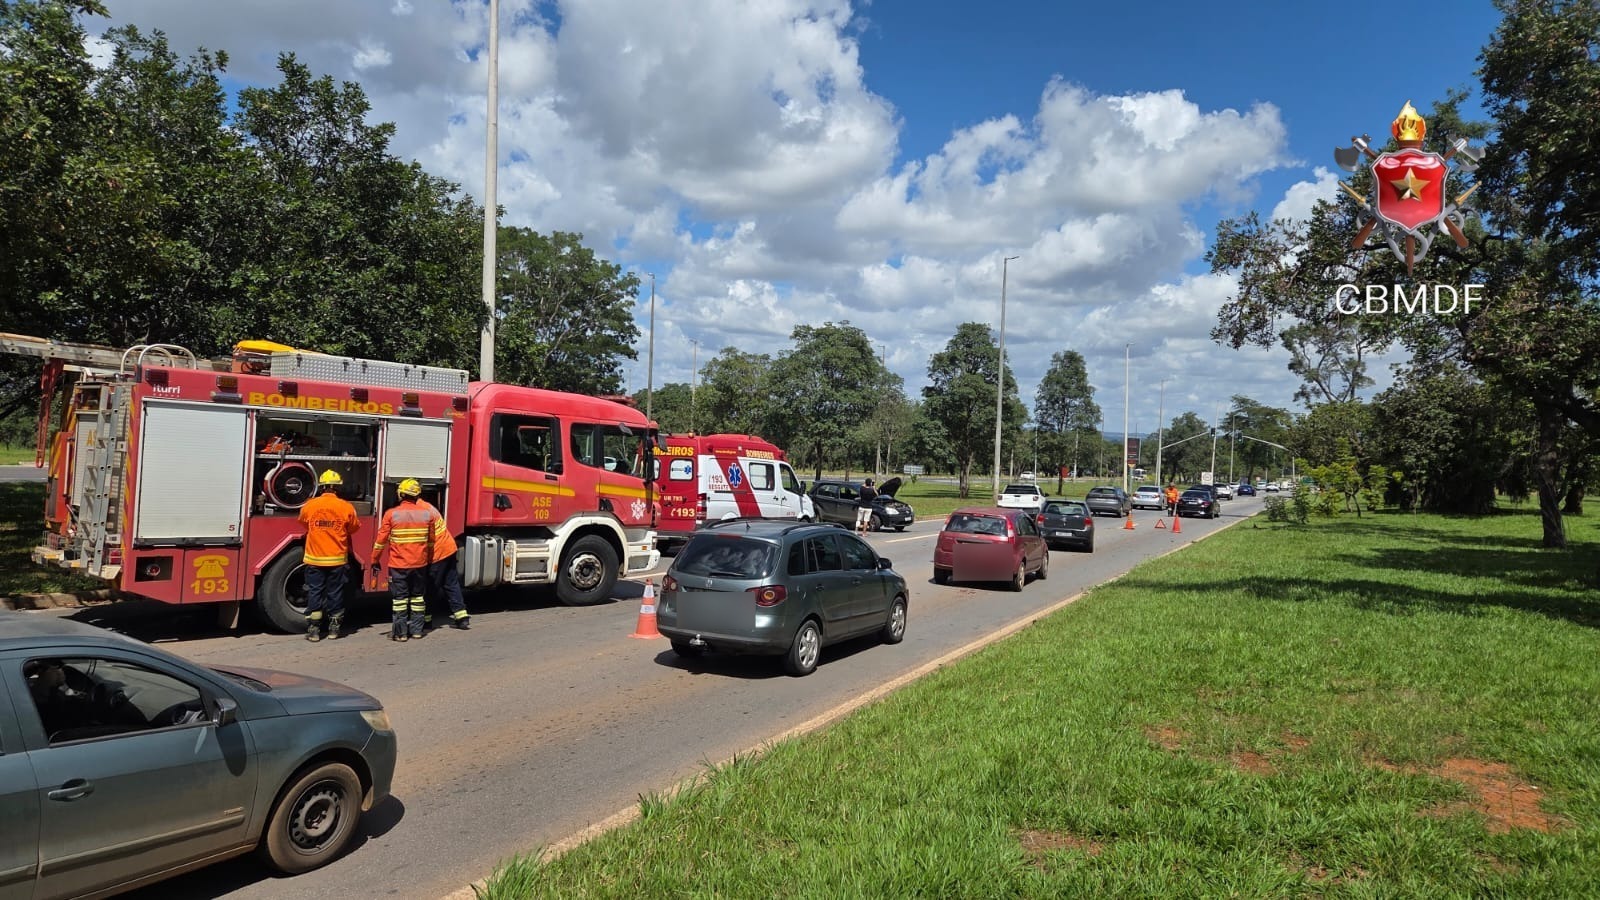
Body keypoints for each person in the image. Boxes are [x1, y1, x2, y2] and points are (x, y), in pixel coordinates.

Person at [372, 478, 446, 642]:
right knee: (418, 597)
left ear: (401, 494)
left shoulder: (391, 514)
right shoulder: (427, 515)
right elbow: (431, 541)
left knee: (400, 599)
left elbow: (380, 541)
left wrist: (374, 560)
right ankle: (417, 631)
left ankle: (401, 633)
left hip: (398, 565)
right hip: (419, 564)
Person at [299, 469, 361, 641]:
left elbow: (304, 523)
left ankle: (314, 631)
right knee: (335, 593)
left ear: (322, 487)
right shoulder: (346, 507)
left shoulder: (310, 505)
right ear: (337, 488)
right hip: (337, 559)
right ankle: (334, 629)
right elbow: (354, 528)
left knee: (315, 592)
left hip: (314, 558)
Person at [415, 491, 471, 631]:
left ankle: (426, 620)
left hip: (438, 553)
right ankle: (462, 618)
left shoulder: (420, 511)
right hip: (449, 548)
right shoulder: (426, 506)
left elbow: (422, 538)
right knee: (451, 583)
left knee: (431, 587)